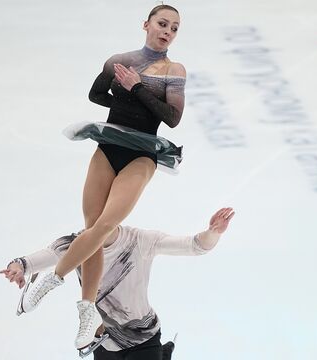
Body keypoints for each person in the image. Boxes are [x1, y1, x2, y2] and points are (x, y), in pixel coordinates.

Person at [12, 4, 187, 352]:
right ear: (146, 25)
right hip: (108, 146)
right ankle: (88, 310)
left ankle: (54, 279)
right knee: (92, 226)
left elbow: (172, 118)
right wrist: (123, 95)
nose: (168, 31)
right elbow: (96, 94)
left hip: (143, 153)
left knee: (105, 225)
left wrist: (136, 88)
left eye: (174, 28)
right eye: (162, 23)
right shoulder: (119, 59)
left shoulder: (174, 70)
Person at [0, 207, 236, 359]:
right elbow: (43, 257)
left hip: (142, 338)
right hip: (103, 342)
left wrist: (212, 232)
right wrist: (19, 266)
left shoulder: (140, 241)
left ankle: (161, 354)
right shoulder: (77, 244)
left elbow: (194, 246)